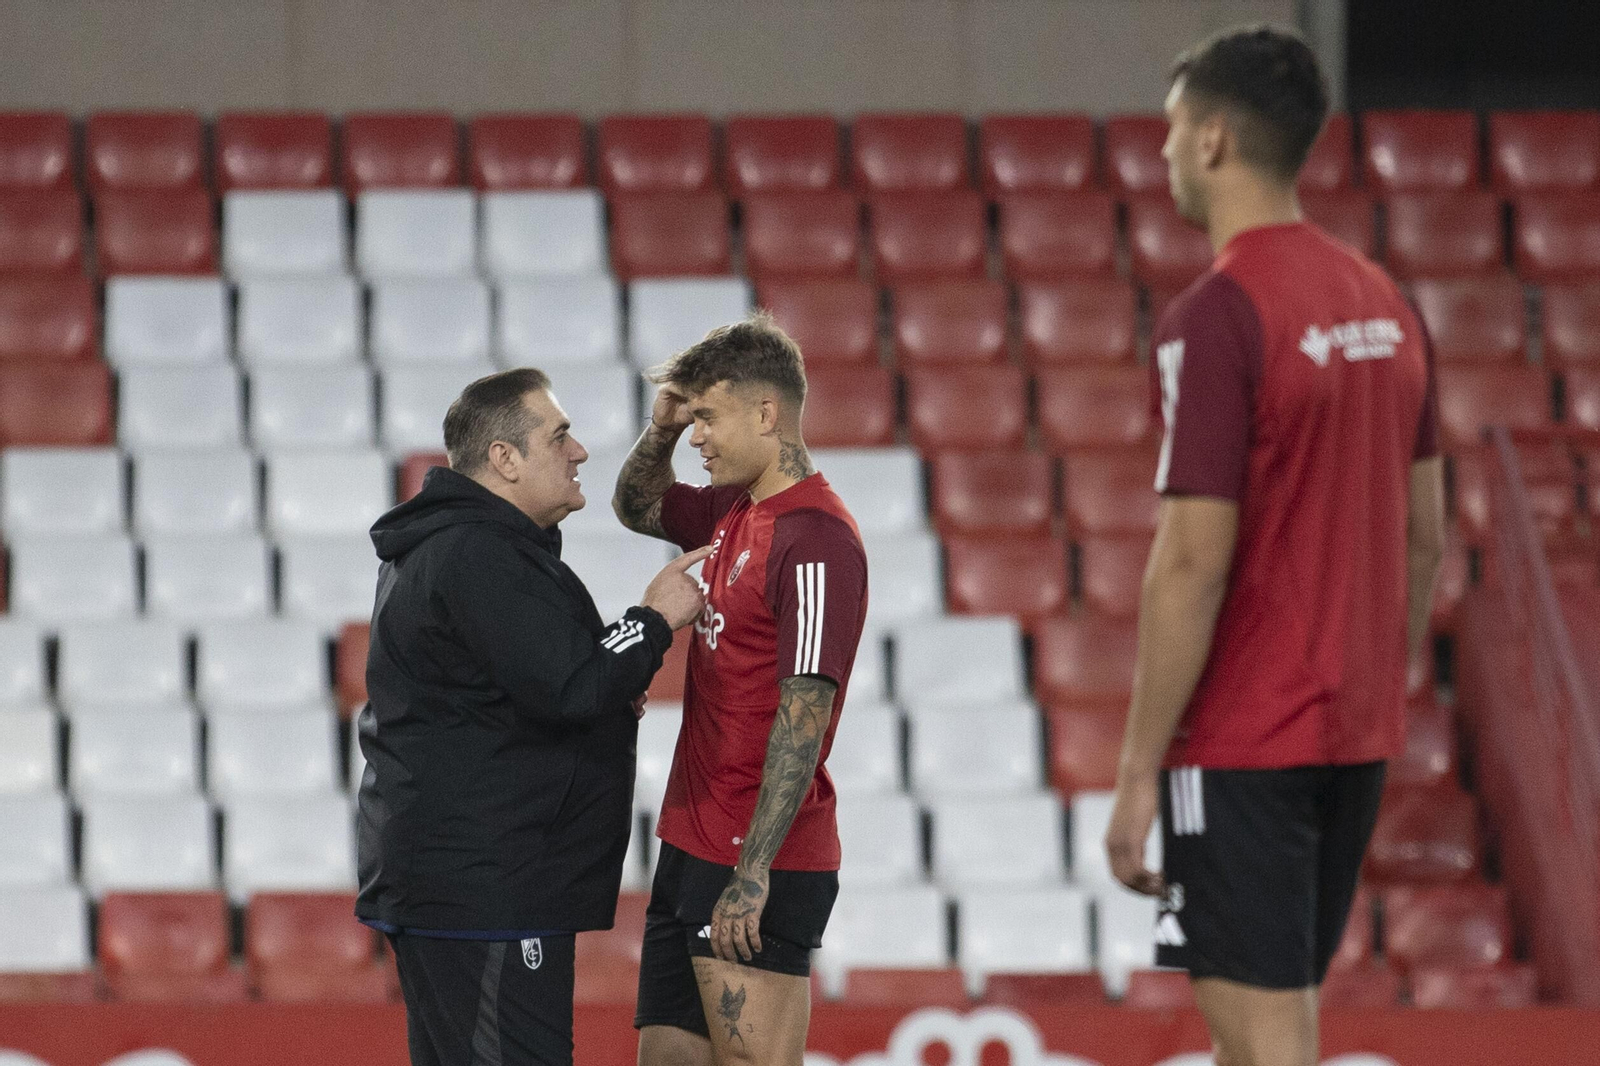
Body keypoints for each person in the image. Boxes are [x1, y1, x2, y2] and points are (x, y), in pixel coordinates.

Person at [1103, 24, 1446, 1066]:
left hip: (1245, 739)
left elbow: (1193, 560)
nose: (1160, 155)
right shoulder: (1386, 303)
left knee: (1257, 1045)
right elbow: (1423, 537)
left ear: (1211, 140)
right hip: (1353, 731)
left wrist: (1133, 774)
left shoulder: (1215, 316)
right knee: (1281, 1024)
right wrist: (1370, 678)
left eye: (1168, 133)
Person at [355, 367, 710, 1066]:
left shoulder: (461, 545)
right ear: (504, 459)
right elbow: (571, 685)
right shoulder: (478, 552)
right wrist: (654, 619)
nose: (578, 452)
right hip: (487, 891)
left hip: (469, 883)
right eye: (560, 436)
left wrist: (608, 680)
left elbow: (546, 679)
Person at [612, 314, 869, 1066]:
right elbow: (636, 505)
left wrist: (752, 872)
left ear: (767, 413)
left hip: (757, 857)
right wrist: (659, 431)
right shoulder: (735, 508)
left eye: (707, 418)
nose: (697, 437)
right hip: (692, 843)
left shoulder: (815, 539)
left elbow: (805, 711)